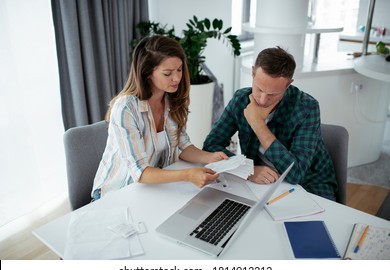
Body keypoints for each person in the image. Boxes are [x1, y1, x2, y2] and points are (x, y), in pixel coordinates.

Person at [92, 35, 228, 200]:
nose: (177, 78)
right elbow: (140, 172)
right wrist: (188, 174)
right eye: (167, 73)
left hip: (149, 190)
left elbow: (182, 145)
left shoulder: (171, 99)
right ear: (147, 73)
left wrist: (211, 157)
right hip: (116, 194)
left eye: (179, 69)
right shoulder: (126, 109)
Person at [203, 46, 337, 200]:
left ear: (288, 85)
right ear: (253, 73)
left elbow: (296, 174)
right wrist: (248, 169)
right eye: (258, 89)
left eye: (273, 94)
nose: (262, 100)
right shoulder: (240, 100)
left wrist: (258, 124)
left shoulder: (307, 107)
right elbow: (211, 146)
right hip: (262, 183)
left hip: (310, 184)